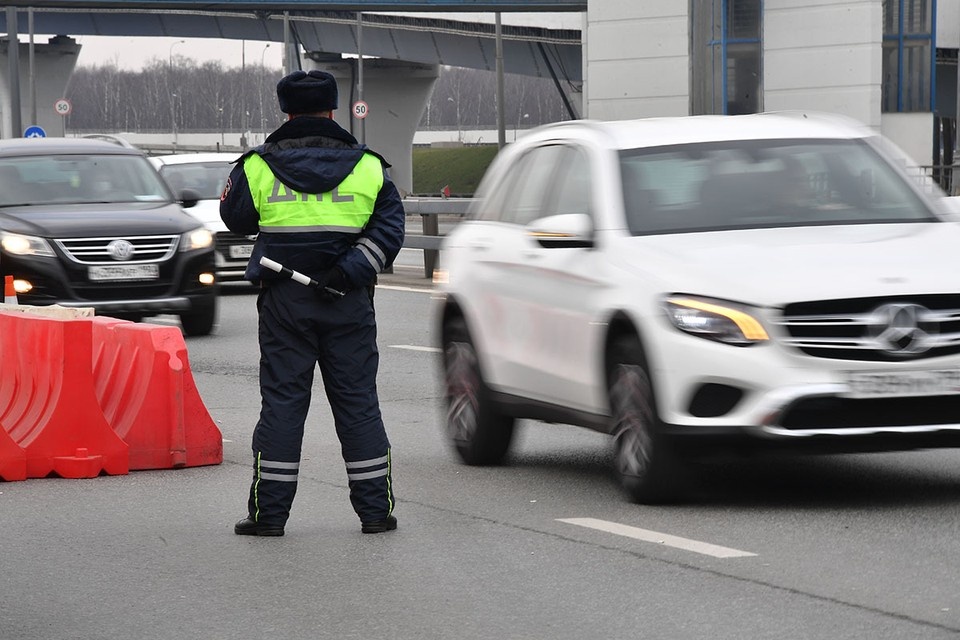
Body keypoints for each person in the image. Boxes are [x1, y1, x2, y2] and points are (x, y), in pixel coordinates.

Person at [220, 69, 405, 536]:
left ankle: (269, 516)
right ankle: (375, 513)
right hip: (348, 300)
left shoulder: (257, 166)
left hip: (284, 301)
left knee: (283, 404)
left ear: (285, 111)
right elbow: (389, 232)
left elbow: (235, 218)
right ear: (333, 108)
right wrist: (346, 271)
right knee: (358, 403)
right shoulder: (368, 166)